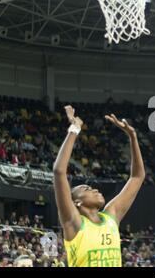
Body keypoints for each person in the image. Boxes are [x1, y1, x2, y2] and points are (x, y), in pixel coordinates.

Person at [53, 105, 145, 267]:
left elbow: (137, 177)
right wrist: (74, 129)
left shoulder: (111, 216)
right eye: (87, 189)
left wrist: (133, 137)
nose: (95, 189)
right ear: (77, 202)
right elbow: (59, 171)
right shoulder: (73, 222)